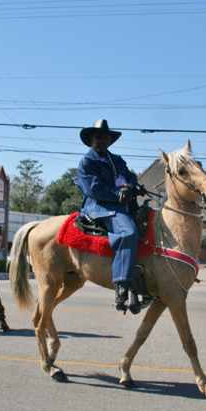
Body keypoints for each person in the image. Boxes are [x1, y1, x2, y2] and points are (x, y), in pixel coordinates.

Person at [76, 119, 146, 312]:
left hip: (122, 205)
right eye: (99, 137)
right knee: (128, 233)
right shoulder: (87, 162)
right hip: (100, 207)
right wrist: (118, 193)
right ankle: (122, 288)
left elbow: (131, 178)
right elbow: (93, 188)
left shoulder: (117, 160)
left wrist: (131, 187)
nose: (103, 141)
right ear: (91, 139)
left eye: (106, 138)